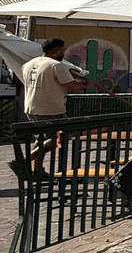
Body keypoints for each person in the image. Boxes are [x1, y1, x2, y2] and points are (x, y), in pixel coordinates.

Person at [21, 38, 86, 172]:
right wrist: (85, 84)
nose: (64, 53)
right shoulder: (56, 66)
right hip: (50, 108)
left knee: (41, 139)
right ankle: (23, 161)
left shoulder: (28, 64)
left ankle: (36, 171)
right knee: (60, 137)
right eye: (63, 50)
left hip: (31, 107)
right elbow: (74, 87)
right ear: (57, 51)